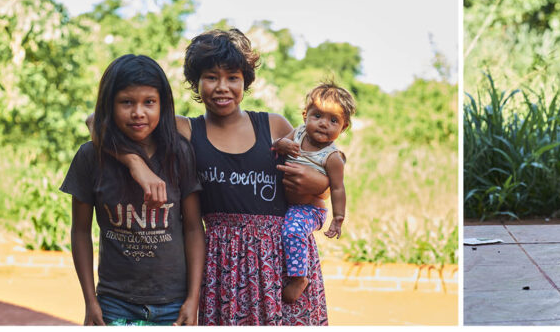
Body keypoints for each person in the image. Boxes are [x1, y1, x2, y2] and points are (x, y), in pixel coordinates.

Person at [97, 29, 331, 325]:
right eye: (211, 77)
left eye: (232, 77)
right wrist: (135, 163)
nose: (222, 87)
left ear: (245, 81)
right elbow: (99, 122)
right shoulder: (184, 131)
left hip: (281, 267)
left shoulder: (274, 126)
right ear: (196, 82)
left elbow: (320, 182)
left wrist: (321, 187)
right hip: (223, 267)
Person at [61, 54, 205, 325]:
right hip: (114, 303)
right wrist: (90, 302)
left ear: (163, 105)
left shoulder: (179, 153)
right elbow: (80, 230)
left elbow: (194, 228)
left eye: (149, 102)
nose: (138, 112)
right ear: (109, 105)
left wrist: (192, 298)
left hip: (173, 303)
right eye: (126, 102)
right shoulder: (90, 157)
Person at [272, 82, 356, 303]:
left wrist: (338, 218)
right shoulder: (298, 134)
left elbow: (338, 188)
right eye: (317, 115)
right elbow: (275, 145)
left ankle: (299, 279)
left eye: (333, 120)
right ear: (304, 116)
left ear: (343, 127)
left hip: (309, 210)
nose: (323, 124)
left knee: (292, 230)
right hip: (287, 206)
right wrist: (282, 144)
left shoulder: (332, 157)